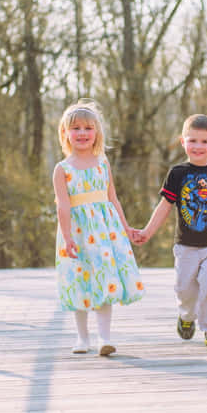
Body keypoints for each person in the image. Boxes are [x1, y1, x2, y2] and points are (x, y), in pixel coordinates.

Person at [134, 114, 207, 349]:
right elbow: (164, 206)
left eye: (204, 141)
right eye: (192, 140)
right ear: (183, 142)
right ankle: (187, 316)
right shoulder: (178, 173)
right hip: (186, 246)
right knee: (185, 290)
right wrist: (147, 231)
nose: (198, 146)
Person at [52, 100, 145, 356]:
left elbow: (113, 198)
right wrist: (67, 237)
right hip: (77, 232)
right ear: (65, 133)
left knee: (106, 279)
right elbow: (63, 206)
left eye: (88, 128)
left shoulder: (102, 163)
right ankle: (82, 338)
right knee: (80, 279)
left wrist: (126, 228)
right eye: (76, 128)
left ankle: (105, 338)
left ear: (97, 132)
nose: (82, 133)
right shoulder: (62, 169)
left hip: (105, 232)